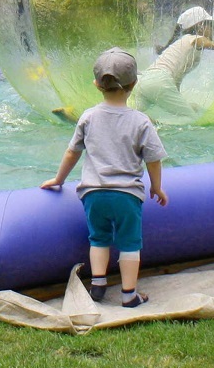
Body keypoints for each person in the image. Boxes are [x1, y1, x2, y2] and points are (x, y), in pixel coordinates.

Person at [40, 48, 168, 308]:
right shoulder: (141, 121)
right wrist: (157, 187)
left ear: (97, 84)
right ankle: (129, 294)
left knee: (98, 238)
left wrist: (58, 179)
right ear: (135, 83)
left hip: (93, 194)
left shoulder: (88, 116)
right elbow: (153, 159)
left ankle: (98, 284)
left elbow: (72, 152)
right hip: (126, 195)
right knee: (129, 243)